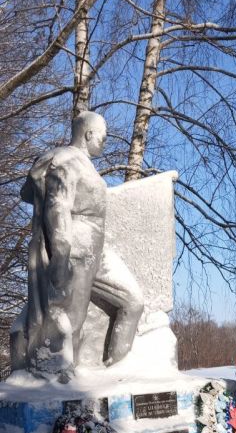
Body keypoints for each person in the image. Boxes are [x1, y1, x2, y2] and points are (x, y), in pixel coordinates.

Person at [11, 111, 143, 381]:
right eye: (103, 138)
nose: (104, 144)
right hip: (77, 249)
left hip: (97, 250)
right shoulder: (66, 161)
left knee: (133, 301)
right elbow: (57, 208)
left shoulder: (84, 164)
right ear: (89, 134)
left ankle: (119, 373)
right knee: (71, 319)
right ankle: (58, 378)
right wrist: (61, 254)